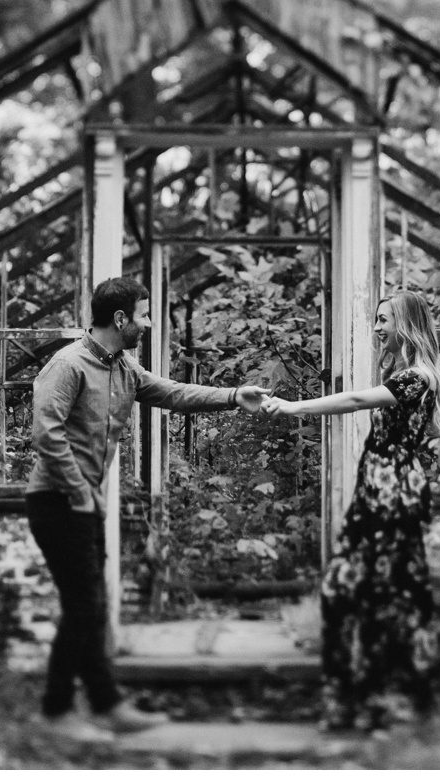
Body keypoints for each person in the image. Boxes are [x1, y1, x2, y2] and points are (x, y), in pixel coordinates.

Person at [25, 274, 269, 742]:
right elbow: (46, 434)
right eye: (146, 314)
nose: (151, 322)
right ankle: (57, 712)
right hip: (57, 502)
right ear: (121, 319)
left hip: (83, 503)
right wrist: (79, 492)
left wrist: (236, 396)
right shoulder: (67, 365)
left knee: (91, 607)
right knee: (84, 607)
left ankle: (105, 704)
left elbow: (174, 393)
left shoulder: (123, 368)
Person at [261, 290, 440, 733]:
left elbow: (354, 402)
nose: (377, 327)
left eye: (384, 320)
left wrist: (294, 407)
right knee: (352, 594)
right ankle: (360, 699)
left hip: (393, 496)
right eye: (377, 319)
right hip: (378, 493)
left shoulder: (418, 377)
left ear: (405, 324)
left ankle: (380, 701)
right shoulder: (404, 373)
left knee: (377, 598)